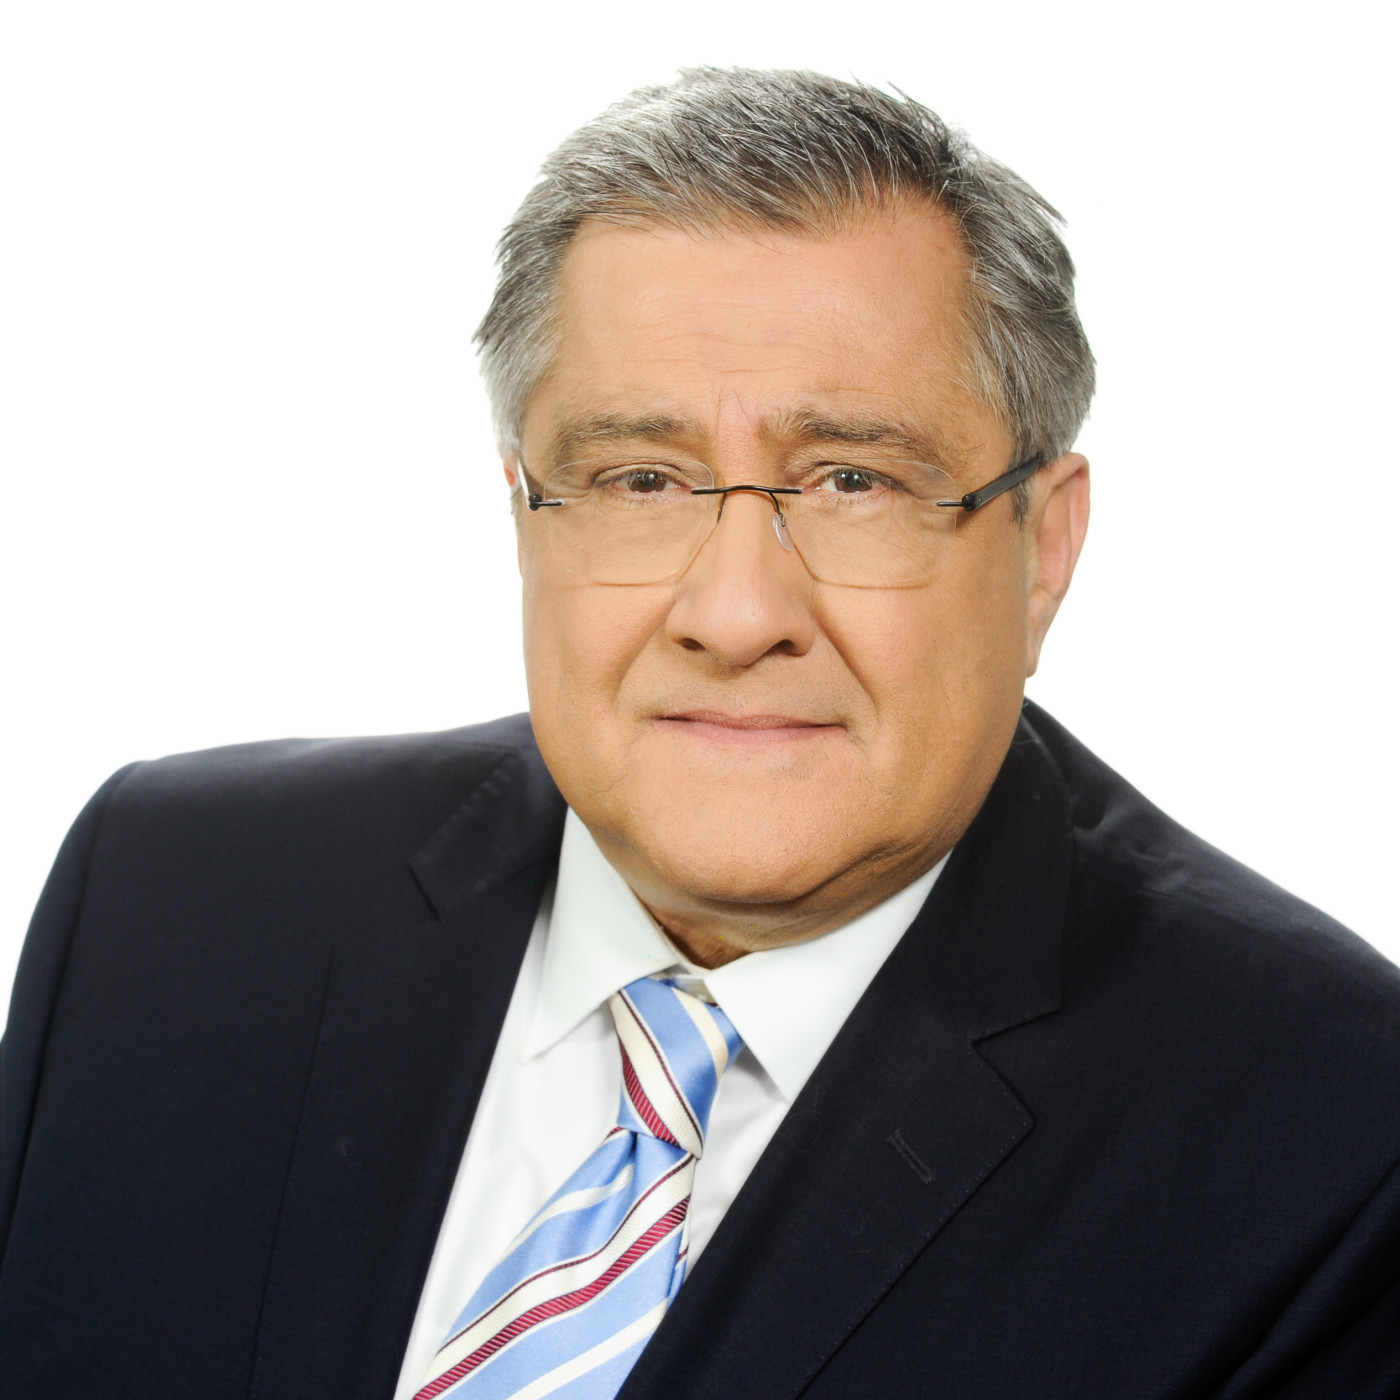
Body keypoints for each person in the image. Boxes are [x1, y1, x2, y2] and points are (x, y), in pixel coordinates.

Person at [2, 66, 1397, 1400]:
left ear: (1044, 549)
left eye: (852, 480)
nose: (734, 615)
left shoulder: (1330, 1140)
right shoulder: (168, 901)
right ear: (524, 517)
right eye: (641, 479)